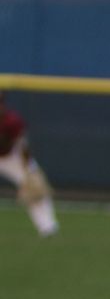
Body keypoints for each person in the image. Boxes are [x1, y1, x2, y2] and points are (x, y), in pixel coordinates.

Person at [0, 92, 61, 238]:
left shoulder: (12, 120)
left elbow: (22, 144)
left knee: (35, 187)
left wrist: (29, 168)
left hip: (10, 158)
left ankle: (48, 227)